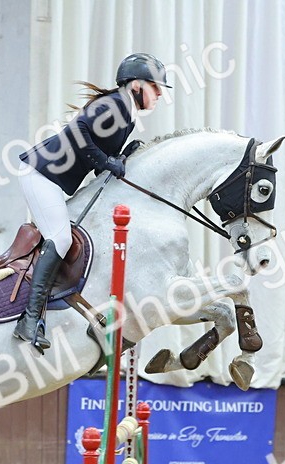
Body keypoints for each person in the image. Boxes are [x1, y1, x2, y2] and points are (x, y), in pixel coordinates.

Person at [14, 53, 171, 352]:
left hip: (51, 179)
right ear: (136, 85)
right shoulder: (113, 105)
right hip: (39, 173)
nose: (160, 93)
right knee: (59, 239)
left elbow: (98, 157)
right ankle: (30, 319)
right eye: (155, 86)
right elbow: (78, 132)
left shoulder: (125, 113)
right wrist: (106, 161)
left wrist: (121, 157)